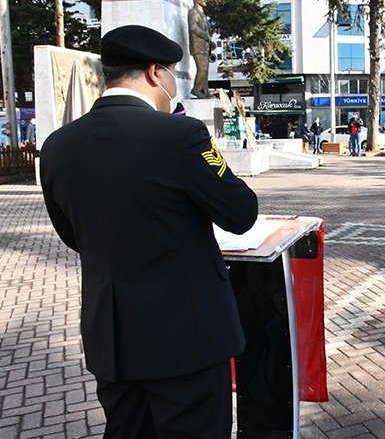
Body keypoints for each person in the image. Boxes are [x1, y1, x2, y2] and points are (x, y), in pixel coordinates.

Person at [39, 25, 258, 438]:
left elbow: (74, 235)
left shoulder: (57, 146)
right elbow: (241, 212)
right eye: (173, 73)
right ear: (156, 73)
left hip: (113, 342)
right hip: (186, 341)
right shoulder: (181, 134)